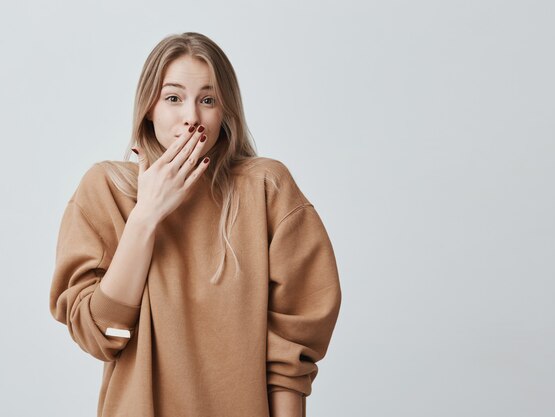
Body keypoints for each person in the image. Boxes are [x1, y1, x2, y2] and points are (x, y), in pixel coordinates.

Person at [49, 32, 342, 417]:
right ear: (149, 108)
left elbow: (291, 351)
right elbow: (102, 335)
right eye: (173, 98)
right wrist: (145, 217)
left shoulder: (266, 188)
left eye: (208, 100)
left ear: (225, 112)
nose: (191, 116)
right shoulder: (107, 189)